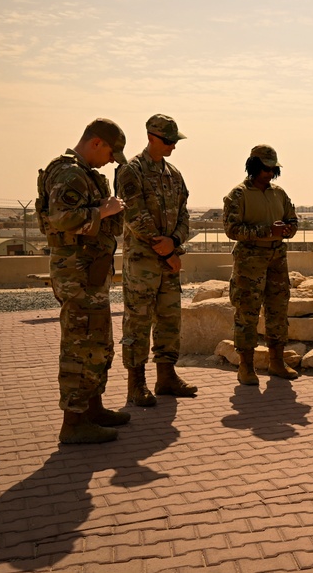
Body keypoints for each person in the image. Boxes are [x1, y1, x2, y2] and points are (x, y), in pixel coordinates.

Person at [36, 118, 128, 444]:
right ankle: (73, 423)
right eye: (110, 154)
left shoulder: (88, 176)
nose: (110, 161)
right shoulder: (68, 173)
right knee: (79, 345)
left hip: (92, 271)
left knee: (98, 343)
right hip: (76, 272)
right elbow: (61, 218)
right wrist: (103, 211)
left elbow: (103, 222)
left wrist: (113, 213)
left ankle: (92, 408)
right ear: (96, 143)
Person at [117, 114, 197, 406]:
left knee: (168, 320)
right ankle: (136, 384)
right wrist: (165, 249)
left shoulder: (174, 174)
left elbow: (185, 215)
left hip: (169, 262)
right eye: (168, 141)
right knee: (137, 322)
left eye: (176, 141)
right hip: (142, 263)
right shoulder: (131, 171)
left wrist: (174, 242)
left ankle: (166, 377)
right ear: (151, 137)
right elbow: (135, 214)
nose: (173, 146)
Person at [223, 145, 300, 386]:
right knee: (247, 313)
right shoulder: (238, 195)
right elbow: (232, 230)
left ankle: (276, 361)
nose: (269, 173)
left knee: (278, 310)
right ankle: (246, 366)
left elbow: (293, 220)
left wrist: (287, 229)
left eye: (273, 169)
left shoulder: (279, 194)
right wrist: (268, 231)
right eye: (265, 168)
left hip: (277, 259)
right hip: (250, 262)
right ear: (254, 167)